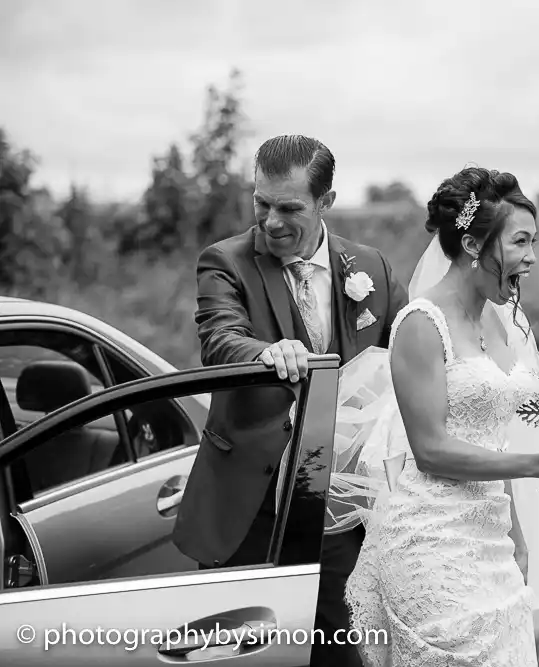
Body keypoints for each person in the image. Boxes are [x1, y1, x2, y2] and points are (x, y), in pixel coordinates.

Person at [335, 166, 539, 666]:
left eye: (533, 241)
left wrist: (516, 533)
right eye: (520, 242)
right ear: (475, 244)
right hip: (429, 547)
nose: (532, 257)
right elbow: (431, 450)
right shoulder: (420, 324)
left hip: (491, 540)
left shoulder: (500, 322)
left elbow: (492, 437)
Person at [170, 134, 409, 667]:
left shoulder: (371, 267)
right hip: (252, 512)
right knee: (244, 658)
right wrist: (265, 350)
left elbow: (409, 364)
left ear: (325, 202)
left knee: (344, 654)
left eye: (289, 208)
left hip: (348, 515)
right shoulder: (225, 262)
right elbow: (219, 339)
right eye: (261, 204)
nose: (271, 221)